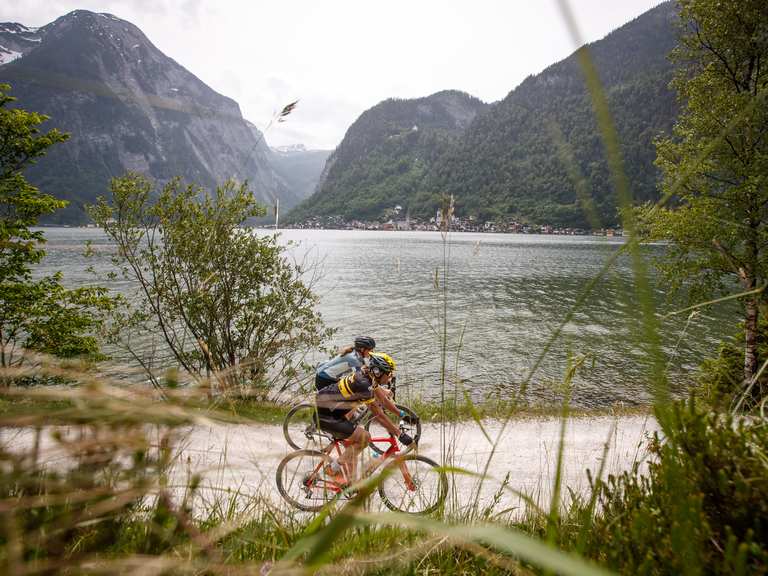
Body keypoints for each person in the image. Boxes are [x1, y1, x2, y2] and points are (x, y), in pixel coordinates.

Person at [314, 352, 412, 484]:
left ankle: (349, 483)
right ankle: (332, 469)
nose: (390, 377)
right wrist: (399, 434)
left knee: (355, 444)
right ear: (378, 372)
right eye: (388, 374)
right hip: (327, 417)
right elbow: (378, 414)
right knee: (364, 438)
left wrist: (401, 414)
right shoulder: (364, 384)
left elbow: (383, 399)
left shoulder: (368, 376)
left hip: (336, 413)